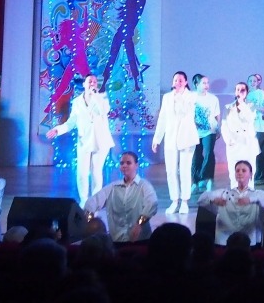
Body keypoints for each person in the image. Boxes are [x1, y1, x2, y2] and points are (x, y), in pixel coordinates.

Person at [46, 74, 115, 203]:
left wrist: (95, 96)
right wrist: (57, 130)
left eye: (94, 81)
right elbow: (71, 122)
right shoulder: (77, 102)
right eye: (90, 81)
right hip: (84, 140)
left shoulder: (102, 97)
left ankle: (95, 202)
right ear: (84, 84)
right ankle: (84, 200)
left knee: (96, 171)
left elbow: (104, 111)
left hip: (101, 141)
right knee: (82, 173)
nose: (92, 83)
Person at [83, 151, 158, 242]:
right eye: (122, 163)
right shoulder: (113, 187)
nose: (124, 165)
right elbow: (92, 202)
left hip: (140, 241)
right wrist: (90, 222)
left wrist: (139, 224)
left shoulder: (144, 185)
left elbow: (152, 203)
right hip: (117, 242)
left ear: (136, 165)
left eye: (128, 163)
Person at [199, 160, 264, 246]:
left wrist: (250, 199)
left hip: (250, 241)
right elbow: (201, 199)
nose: (240, 173)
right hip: (225, 241)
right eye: (237, 171)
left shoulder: (256, 194)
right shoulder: (225, 193)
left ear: (250, 174)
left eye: (244, 170)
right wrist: (213, 200)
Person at [152, 71, 197, 214]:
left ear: (185, 82)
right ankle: (174, 200)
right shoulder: (167, 97)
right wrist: (157, 139)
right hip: (171, 138)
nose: (177, 82)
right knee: (171, 171)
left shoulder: (191, 96)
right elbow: (163, 119)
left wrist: (179, 97)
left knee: (184, 170)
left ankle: (184, 201)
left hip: (187, 138)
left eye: (180, 80)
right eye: (175, 80)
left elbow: (186, 112)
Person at [223, 81, 262, 189]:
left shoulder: (251, 106)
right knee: (233, 171)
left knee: (250, 169)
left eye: (243, 90)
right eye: (238, 90)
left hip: (248, 142)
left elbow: (249, 119)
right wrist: (228, 139)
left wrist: (241, 104)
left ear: (247, 92)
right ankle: (235, 193)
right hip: (233, 142)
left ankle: (249, 193)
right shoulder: (227, 107)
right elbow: (224, 125)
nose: (240, 92)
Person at [190, 73, 221, 194]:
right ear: (196, 84)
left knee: (209, 153)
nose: (206, 85)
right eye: (204, 83)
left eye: (207, 83)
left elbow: (217, 115)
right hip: (194, 132)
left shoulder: (213, 98)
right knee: (196, 156)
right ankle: (195, 182)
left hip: (210, 130)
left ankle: (207, 179)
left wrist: (218, 128)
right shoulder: (191, 97)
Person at [247, 73, 264, 185]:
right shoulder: (245, 94)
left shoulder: (261, 93)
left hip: (260, 127)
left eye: (254, 81)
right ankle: (250, 176)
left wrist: (255, 106)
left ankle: (260, 176)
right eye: (250, 81)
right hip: (248, 128)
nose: (252, 83)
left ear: (257, 83)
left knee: (260, 152)